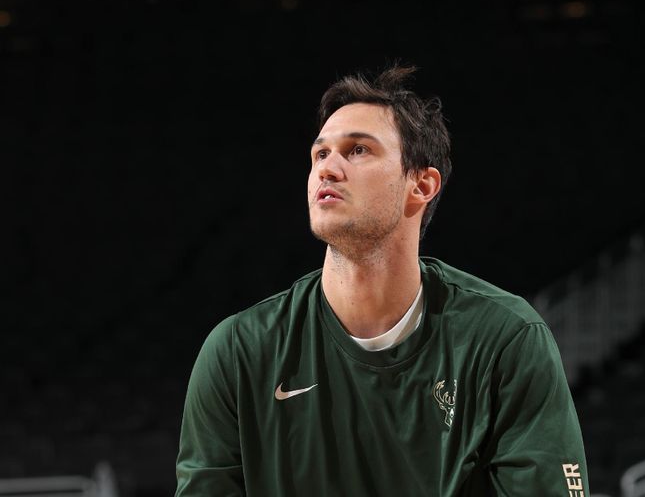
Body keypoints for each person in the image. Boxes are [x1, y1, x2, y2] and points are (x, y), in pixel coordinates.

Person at [175, 63, 590, 496]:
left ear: (422, 184)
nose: (328, 169)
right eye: (320, 154)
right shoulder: (238, 352)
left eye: (358, 151)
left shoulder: (506, 339)